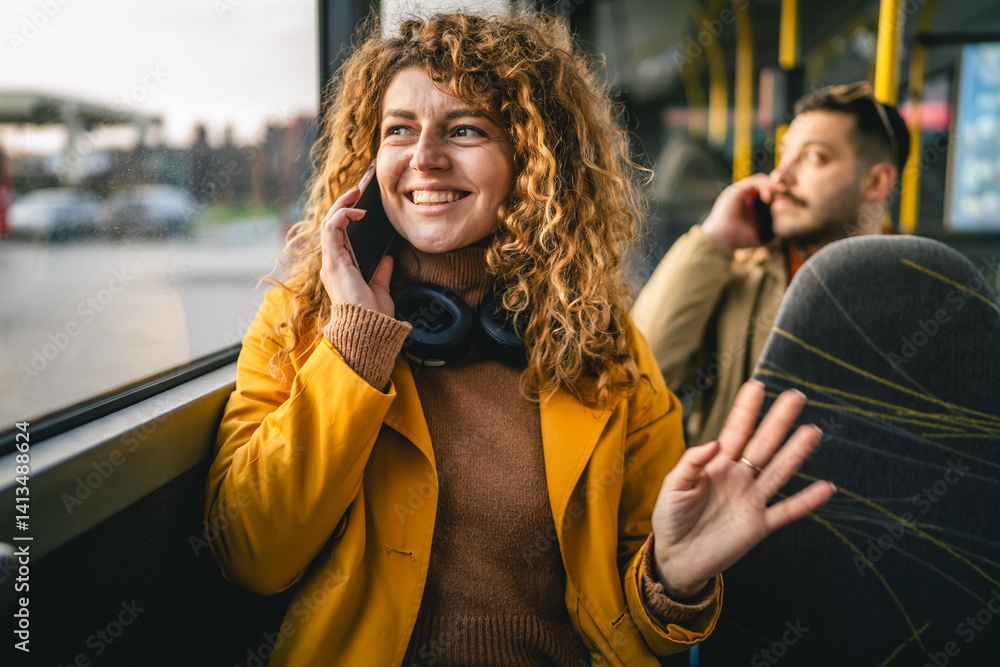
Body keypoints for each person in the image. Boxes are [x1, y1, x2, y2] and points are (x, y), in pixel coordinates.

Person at [205, 11, 834, 666]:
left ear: (531, 159)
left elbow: (631, 633)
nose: (424, 157)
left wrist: (672, 581)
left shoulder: (605, 348)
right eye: (399, 130)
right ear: (369, 159)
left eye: (465, 128)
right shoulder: (299, 322)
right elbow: (252, 552)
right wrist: (355, 345)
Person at [632, 82, 911, 447]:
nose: (780, 176)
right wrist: (712, 240)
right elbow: (641, 382)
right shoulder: (739, 272)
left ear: (876, 181)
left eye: (813, 157)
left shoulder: (917, 287)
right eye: (784, 155)